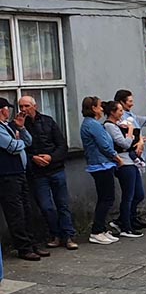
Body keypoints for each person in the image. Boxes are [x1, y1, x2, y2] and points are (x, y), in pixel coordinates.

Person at [19, 94, 77, 251]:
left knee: (62, 204)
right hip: (37, 173)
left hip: (55, 168)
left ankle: (68, 235)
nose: (24, 110)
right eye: (21, 107)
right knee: (46, 206)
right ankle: (55, 234)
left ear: (34, 106)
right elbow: (20, 149)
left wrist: (51, 157)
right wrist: (33, 158)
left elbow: (61, 145)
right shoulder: (19, 125)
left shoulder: (48, 121)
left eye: (26, 106)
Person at [0, 97, 43, 261]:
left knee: (26, 209)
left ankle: (32, 244)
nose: (9, 111)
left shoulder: (9, 126)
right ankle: (23, 248)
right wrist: (18, 141)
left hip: (20, 173)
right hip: (7, 176)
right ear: (2, 110)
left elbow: (28, 141)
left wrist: (21, 128)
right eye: (7, 108)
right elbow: (11, 147)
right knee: (16, 213)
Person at [79, 97, 119, 246]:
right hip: (101, 164)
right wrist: (116, 157)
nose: (102, 108)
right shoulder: (92, 125)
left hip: (102, 164)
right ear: (94, 108)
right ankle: (96, 231)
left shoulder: (92, 124)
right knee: (106, 198)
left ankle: (101, 229)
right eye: (100, 106)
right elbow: (104, 144)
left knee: (106, 197)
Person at [102, 100, 145, 239]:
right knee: (128, 195)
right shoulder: (110, 126)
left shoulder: (117, 125)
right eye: (120, 111)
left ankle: (124, 220)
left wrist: (138, 141)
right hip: (123, 163)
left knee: (139, 194)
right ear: (112, 112)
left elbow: (131, 142)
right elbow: (124, 143)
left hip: (131, 160)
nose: (122, 113)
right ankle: (126, 227)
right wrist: (131, 130)